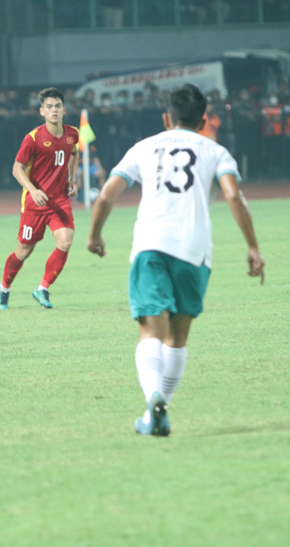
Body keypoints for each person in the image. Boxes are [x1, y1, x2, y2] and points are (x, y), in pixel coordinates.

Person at [87, 84, 265, 436]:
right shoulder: (215, 151)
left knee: (150, 331)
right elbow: (233, 195)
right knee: (178, 338)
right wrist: (253, 248)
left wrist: (94, 235)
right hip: (195, 251)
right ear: (203, 120)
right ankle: (157, 412)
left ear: (166, 118)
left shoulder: (144, 146)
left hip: (152, 244)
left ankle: (153, 398)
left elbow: (107, 193)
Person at [0, 87, 79, 310]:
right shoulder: (33, 138)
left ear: (64, 110)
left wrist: (72, 179)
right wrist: (32, 190)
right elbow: (17, 168)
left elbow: (74, 153)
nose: (54, 110)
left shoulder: (73, 134)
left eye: (57, 107)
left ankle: (42, 288)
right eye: (49, 107)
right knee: (24, 251)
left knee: (66, 241)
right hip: (35, 203)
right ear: (42, 111)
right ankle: (4, 288)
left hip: (59, 200)